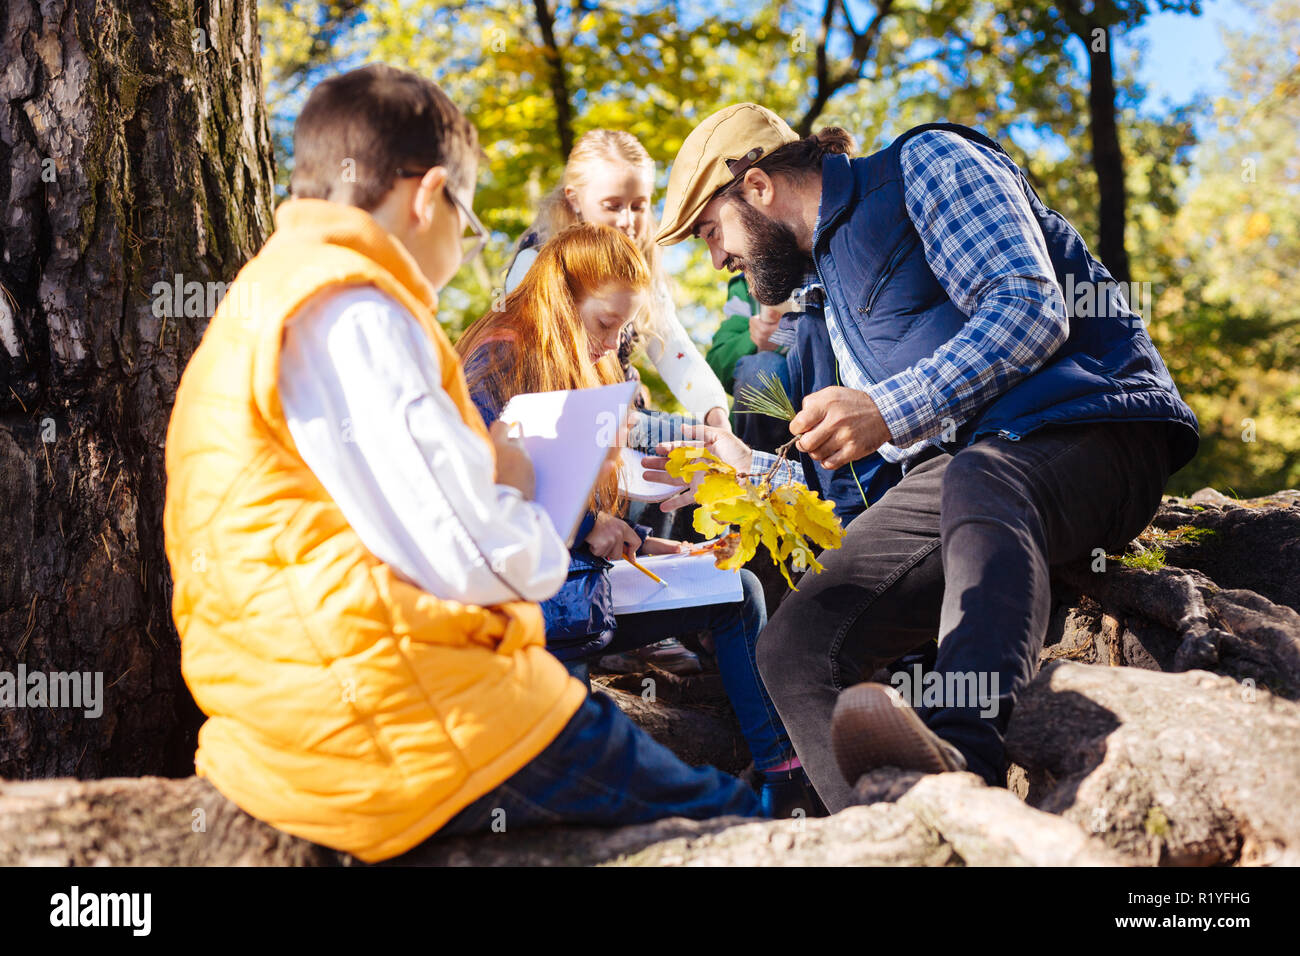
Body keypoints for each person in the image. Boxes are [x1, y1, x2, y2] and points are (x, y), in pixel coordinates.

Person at [161, 65, 766, 865]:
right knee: (725, 817)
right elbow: (488, 557)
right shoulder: (358, 311)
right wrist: (519, 485)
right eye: (468, 213)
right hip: (398, 712)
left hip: (292, 705)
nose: (467, 234)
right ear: (429, 195)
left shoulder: (275, 293)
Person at [646, 104, 1200, 812]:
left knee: (981, 471)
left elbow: (1030, 308)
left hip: (1092, 427)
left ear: (756, 187)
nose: (717, 257)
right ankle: (899, 834)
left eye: (709, 231)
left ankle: (964, 760)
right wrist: (745, 470)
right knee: (794, 648)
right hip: (975, 480)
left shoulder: (927, 165)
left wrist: (886, 408)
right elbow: (853, 491)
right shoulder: (820, 311)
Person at [458, 222, 819, 818]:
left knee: (737, 589)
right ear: (560, 297)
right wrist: (581, 532)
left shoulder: (599, 368)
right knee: (564, 748)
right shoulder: (497, 358)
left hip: (580, 584)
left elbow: (594, 515)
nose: (611, 346)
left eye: (624, 330)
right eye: (604, 325)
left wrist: (663, 548)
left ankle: (784, 779)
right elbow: (472, 491)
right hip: (524, 601)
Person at [505, 128, 729, 672]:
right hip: (561, 416)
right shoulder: (541, 265)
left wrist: (714, 415)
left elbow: (675, 352)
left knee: (684, 443)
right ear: (574, 200)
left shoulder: (642, 265)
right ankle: (606, 606)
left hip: (623, 413)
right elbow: (529, 367)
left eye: (639, 205)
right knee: (640, 445)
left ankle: (671, 595)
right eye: (613, 205)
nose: (628, 219)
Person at [706, 274, 794, 453]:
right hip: (759, 429)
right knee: (763, 370)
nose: (718, 265)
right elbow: (717, 363)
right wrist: (755, 337)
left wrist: (791, 335)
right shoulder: (745, 284)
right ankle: (753, 468)